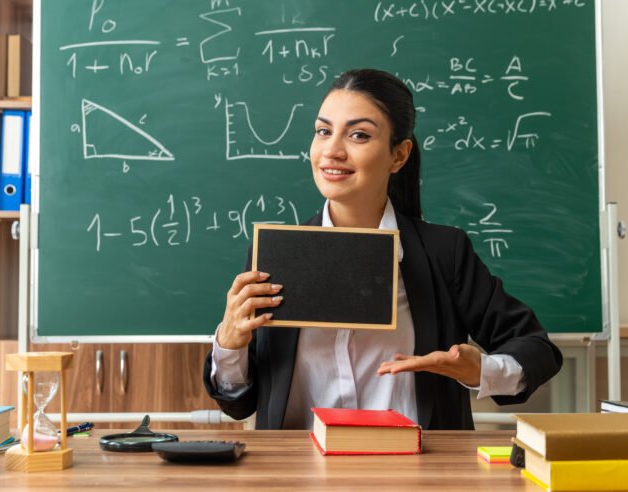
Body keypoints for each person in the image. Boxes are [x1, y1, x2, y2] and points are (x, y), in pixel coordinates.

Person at [203, 68, 562, 430]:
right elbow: (238, 402)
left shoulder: (443, 253)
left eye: (358, 135)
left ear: (399, 155)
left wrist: (478, 370)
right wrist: (230, 344)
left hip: (418, 473)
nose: (332, 150)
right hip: (299, 475)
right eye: (323, 131)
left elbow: (538, 351)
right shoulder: (276, 253)